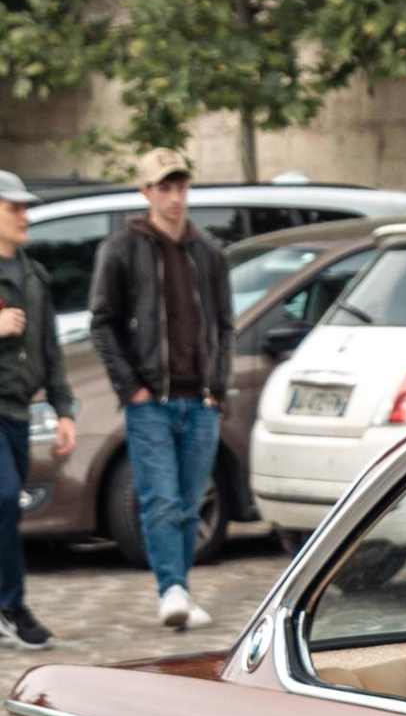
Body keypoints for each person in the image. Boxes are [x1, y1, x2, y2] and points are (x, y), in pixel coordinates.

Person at [89, 148, 232, 629]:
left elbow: (226, 326)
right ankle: (170, 587)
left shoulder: (208, 252)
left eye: (180, 186)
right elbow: (103, 324)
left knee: (190, 504)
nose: (174, 197)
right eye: (164, 187)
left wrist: (218, 390)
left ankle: (181, 589)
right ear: (146, 192)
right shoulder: (122, 250)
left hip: (201, 402)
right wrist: (132, 389)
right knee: (161, 500)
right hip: (150, 402)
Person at [0, 168, 75, 647]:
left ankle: (6, 605)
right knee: (4, 496)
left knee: (9, 508)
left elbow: (50, 348)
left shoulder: (33, 274)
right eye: (14, 208)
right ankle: (13, 604)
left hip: (18, 413)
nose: (25, 216)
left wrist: (65, 409)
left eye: (26, 207)